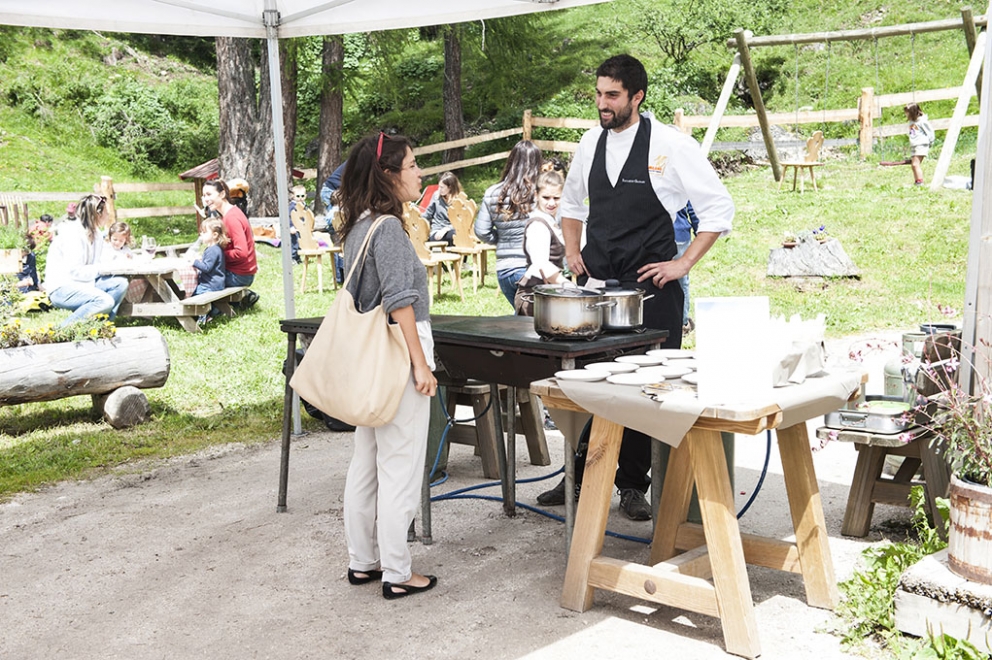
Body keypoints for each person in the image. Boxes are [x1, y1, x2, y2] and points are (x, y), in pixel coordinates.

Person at [538, 54, 734, 520]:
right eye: (600, 94)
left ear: (637, 96)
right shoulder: (590, 143)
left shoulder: (670, 145)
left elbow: (719, 210)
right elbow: (571, 205)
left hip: (652, 290)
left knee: (648, 388)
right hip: (598, 286)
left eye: (613, 96)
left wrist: (682, 263)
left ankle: (631, 485)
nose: (603, 104)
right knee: (594, 383)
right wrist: (571, 253)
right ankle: (579, 476)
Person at [335, 132, 438, 600]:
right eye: (413, 165)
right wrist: (421, 365)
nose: (420, 173)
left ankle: (363, 561)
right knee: (400, 464)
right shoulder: (390, 229)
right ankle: (398, 572)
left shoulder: (358, 226)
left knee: (368, 461)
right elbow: (401, 304)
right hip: (398, 352)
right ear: (389, 174)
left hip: (370, 359)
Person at [474, 140, 544, 305]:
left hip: (504, 269)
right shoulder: (542, 193)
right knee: (534, 321)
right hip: (533, 269)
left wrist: (502, 239)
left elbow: (481, 231)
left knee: (521, 318)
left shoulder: (492, 192)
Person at [43, 194, 129, 325]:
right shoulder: (73, 234)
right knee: (105, 301)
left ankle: (103, 326)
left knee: (120, 284)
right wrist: (103, 267)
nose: (108, 216)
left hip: (85, 284)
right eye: (106, 212)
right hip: (62, 288)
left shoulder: (97, 235)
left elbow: (95, 266)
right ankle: (63, 330)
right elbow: (75, 272)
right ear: (97, 214)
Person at [514, 170, 568, 316]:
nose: (551, 203)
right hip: (534, 297)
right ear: (536, 195)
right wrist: (568, 286)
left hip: (548, 295)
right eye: (546, 197)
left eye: (556, 198)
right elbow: (541, 264)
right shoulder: (537, 225)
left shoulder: (553, 220)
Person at [201, 179, 259, 308]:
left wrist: (217, 255)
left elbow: (241, 252)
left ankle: (208, 311)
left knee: (201, 277)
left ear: (222, 194)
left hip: (240, 275)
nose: (205, 199)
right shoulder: (229, 214)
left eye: (209, 194)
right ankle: (241, 299)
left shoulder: (231, 218)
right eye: (204, 195)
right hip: (241, 272)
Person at [190, 218, 230, 326]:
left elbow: (207, 268)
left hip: (210, 285)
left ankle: (203, 315)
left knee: (194, 295)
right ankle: (214, 311)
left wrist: (194, 262)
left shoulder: (213, 250)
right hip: (217, 283)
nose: (201, 234)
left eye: (204, 232)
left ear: (215, 235)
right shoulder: (215, 248)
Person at [674, 202, 699, 334]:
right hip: (679, 234)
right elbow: (692, 206)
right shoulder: (682, 180)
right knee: (682, 281)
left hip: (652, 236)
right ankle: (682, 323)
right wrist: (699, 232)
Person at [422, 171, 461, 245]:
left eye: (442, 187)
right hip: (437, 231)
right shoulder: (436, 196)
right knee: (452, 236)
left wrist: (446, 229)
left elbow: (460, 221)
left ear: (450, 187)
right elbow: (427, 214)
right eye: (439, 186)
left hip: (453, 229)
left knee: (456, 236)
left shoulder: (458, 200)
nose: (439, 189)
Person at [905, 103, 935, 186]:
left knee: (915, 164)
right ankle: (917, 181)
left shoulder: (922, 121)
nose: (906, 114)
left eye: (907, 112)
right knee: (913, 165)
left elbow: (930, 132)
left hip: (921, 144)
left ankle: (920, 182)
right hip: (914, 145)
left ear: (913, 112)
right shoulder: (911, 121)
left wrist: (930, 142)